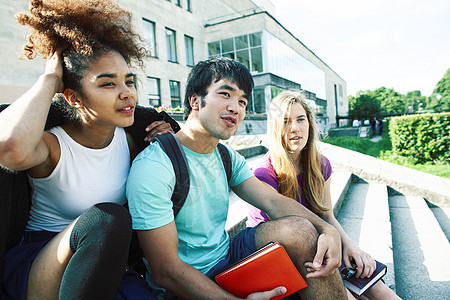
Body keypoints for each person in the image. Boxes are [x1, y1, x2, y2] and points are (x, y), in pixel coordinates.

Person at [126, 57, 351, 300]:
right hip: (185, 284)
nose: (237, 108)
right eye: (225, 94)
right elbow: (166, 271)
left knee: (303, 230)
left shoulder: (224, 156)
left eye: (242, 101)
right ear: (194, 101)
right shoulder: (155, 165)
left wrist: (328, 229)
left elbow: (273, 202)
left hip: (228, 257)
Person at [0, 0, 175, 298]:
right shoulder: (54, 147)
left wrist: (167, 140)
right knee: (107, 219)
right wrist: (50, 79)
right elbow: (10, 149)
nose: (126, 93)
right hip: (44, 262)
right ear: (74, 98)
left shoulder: (133, 140)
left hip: (107, 265)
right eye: (108, 84)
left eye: (129, 81)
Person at [247, 90, 401, 300]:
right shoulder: (264, 173)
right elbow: (284, 242)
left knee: (376, 286)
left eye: (300, 119)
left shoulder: (320, 164)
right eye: (285, 121)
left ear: (309, 123)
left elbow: (327, 215)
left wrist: (349, 246)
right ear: (274, 128)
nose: (294, 128)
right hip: (283, 257)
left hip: (320, 243)